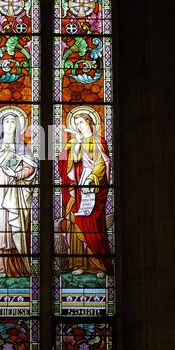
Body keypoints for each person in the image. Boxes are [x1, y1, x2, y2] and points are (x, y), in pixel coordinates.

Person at [0, 109, 37, 277]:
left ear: (18, 126)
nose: (9, 125)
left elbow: (31, 167)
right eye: (6, 122)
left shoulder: (22, 147)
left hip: (14, 191)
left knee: (11, 224)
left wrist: (18, 174)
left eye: (13, 122)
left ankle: (12, 267)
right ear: (1, 125)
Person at [58, 110, 112, 277]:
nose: (78, 126)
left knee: (94, 226)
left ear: (90, 123)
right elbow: (66, 163)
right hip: (77, 189)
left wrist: (93, 178)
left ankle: (100, 264)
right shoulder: (75, 141)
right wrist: (75, 144)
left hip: (92, 190)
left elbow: (102, 164)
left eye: (81, 122)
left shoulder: (99, 142)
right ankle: (79, 262)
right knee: (76, 223)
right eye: (76, 123)